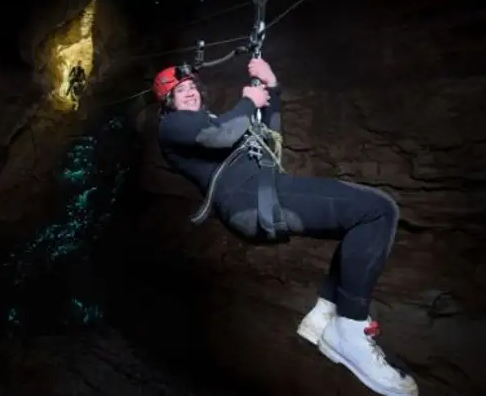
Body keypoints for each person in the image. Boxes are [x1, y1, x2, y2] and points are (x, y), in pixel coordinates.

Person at [154, 59, 419, 396]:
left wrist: (272, 90)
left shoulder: (211, 119)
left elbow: (270, 137)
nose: (189, 94)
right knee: (377, 212)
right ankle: (349, 328)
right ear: (168, 103)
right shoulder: (171, 127)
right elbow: (221, 135)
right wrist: (249, 100)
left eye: (192, 88)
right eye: (180, 91)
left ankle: (327, 313)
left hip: (264, 192)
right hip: (250, 201)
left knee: (367, 218)